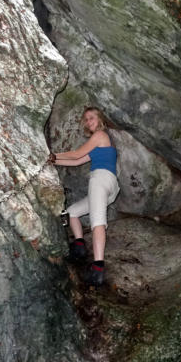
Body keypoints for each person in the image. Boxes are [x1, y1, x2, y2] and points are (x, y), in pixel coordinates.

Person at [48, 107, 119, 286]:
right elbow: (78, 161)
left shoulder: (100, 135)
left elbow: (76, 154)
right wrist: (53, 161)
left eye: (92, 118)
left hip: (100, 180)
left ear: (100, 119)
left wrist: (53, 155)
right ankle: (79, 247)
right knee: (72, 212)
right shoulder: (100, 143)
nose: (88, 122)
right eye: (86, 119)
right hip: (109, 186)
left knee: (97, 222)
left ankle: (98, 269)